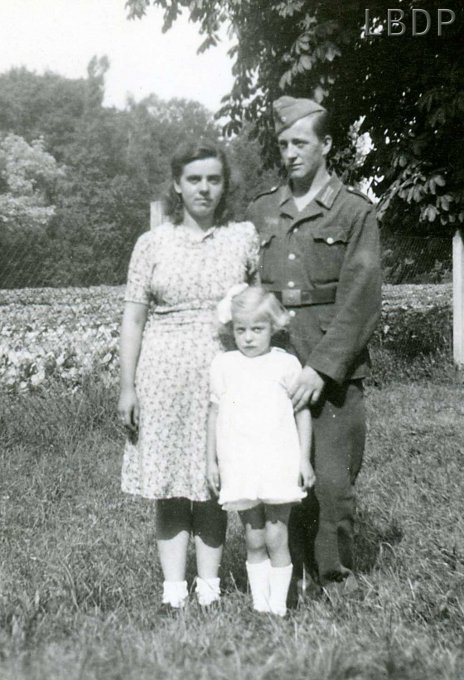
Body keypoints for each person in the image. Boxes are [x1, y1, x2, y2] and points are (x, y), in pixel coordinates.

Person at [247, 96, 381, 595]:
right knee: (281, 477)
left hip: (335, 369)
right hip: (274, 366)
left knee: (332, 482)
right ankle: (292, 575)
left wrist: (322, 369)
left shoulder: (354, 212)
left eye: (300, 143)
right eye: (283, 144)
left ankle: (336, 579)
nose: (290, 153)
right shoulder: (262, 209)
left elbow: (362, 299)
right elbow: (247, 290)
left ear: (326, 145)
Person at [118, 140, 259, 611]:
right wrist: (127, 386)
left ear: (224, 185)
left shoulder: (242, 237)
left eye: (213, 179)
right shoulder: (152, 243)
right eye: (194, 179)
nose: (204, 188)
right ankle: (174, 591)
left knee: (213, 482)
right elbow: (133, 321)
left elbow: (256, 310)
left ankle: (211, 587)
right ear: (177, 185)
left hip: (223, 375)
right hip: (163, 374)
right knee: (170, 484)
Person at [206, 285, 314, 616]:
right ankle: (259, 604)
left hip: (277, 460)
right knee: (253, 536)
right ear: (231, 330)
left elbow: (302, 413)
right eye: (241, 330)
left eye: (257, 329)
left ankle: (279, 606)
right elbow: (213, 414)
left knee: (276, 535)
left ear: (273, 328)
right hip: (239, 461)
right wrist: (211, 460)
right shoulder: (224, 365)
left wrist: (304, 459)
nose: (249, 338)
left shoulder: (286, 364)